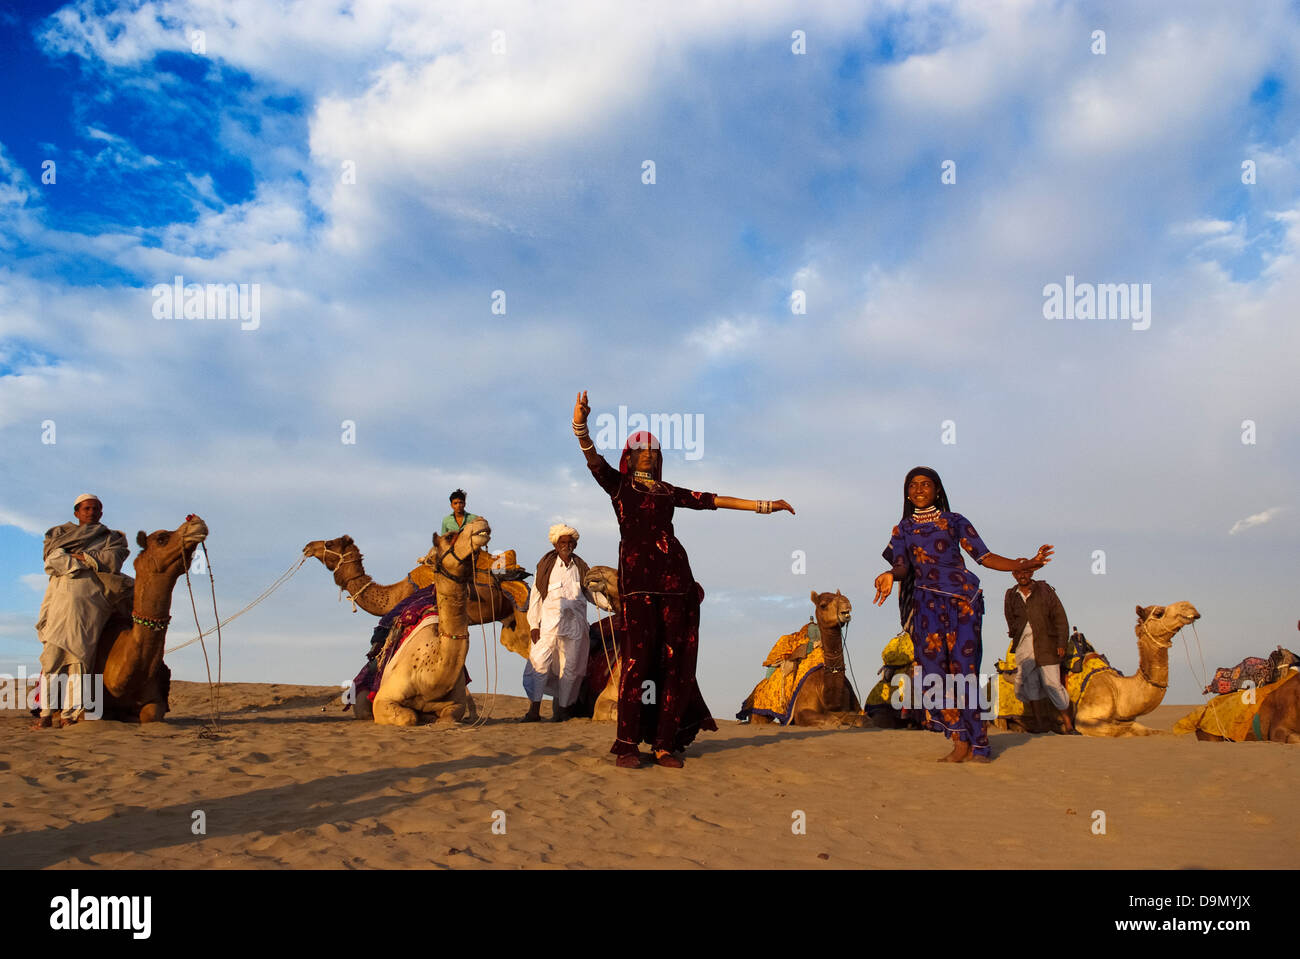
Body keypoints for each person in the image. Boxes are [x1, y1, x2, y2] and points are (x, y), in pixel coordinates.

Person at [573, 390, 794, 768]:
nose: (648, 453)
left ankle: (663, 743)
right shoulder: (619, 486)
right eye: (640, 448)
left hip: (676, 582)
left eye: (654, 450)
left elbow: (712, 500)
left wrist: (764, 506)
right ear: (629, 456)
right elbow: (593, 460)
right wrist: (581, 425)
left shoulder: (667, 491)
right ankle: (627, 743)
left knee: (673, 660)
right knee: (637, 662)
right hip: (639, 584)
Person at [872, 468, 1052, 762]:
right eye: (913, 485)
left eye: (926, 484)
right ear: (907, 493)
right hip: (926, 605)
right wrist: (890, 574)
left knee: (964, 673)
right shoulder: (902, 529)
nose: (919, 489)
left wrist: (1024, 562)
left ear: (937, 490)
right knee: (932, 676)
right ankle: (959, 739)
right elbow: (903, 566)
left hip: (963, 603)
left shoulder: (954, 521)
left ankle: (979, 744)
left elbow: (984, 557)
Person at [33, 495, 129, 729]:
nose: (92, 512)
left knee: (80, 661)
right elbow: (52, 559)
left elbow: (113, 560)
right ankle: (45, 714)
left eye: (96, 509)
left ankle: (69, 715)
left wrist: (78, 557)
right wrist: (87, 563)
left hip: (92, 604)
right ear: (77, 512)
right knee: (51, 660)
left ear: (101, 513)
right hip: (60, 602)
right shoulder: (59, 534)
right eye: (87, 508)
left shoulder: (111, 537)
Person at [522, 524, 592, 723]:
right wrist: (534, 624)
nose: (566, 545)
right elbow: (535, 597)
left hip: (575, 627)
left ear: (575, 545)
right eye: (563, 542)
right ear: (555, 544)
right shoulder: (545, 567)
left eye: (570, 542)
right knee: (539, 664)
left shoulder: (581, 568)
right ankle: (533, 710)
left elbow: (591, 594)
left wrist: (611, 602)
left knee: (570, 669)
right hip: (549, 626)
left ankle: (562, 710)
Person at [1004, 568, 1076, 734]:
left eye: (1025, 572)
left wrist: (1061, 643)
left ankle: (1069, 725)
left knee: (1053, 684)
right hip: (1024, 647)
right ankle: (1041, 724)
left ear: (1032, 573)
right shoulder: (1011, 595)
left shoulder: (1045, 591)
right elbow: (1010, 618)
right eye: (1018, 573)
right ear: (1013, 575)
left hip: (1046, 645)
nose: (1022, 575)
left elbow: (1060, 618)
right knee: (1031, 684)